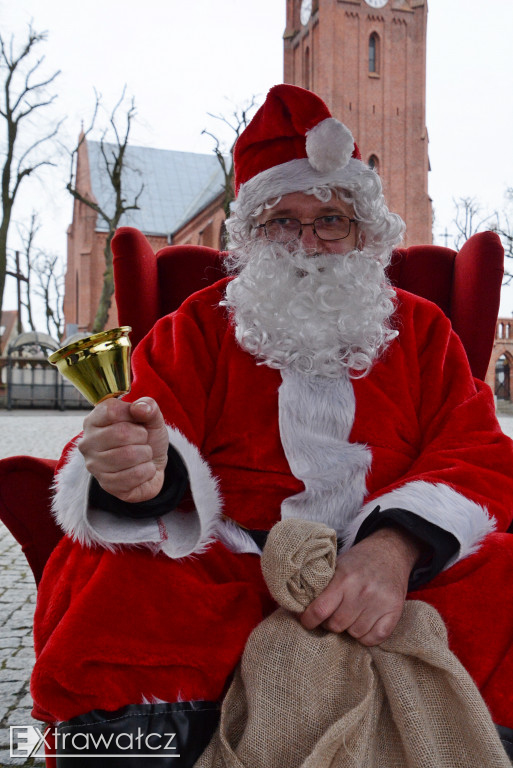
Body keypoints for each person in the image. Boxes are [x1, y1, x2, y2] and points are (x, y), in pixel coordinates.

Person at [32, 84, 513, 763]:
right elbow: (142, 429)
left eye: (330, 219)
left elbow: (478, 448)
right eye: (281, 220)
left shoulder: (421, 328)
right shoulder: (197, 327)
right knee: (111, 577)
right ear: (250, 236)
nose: (307, 242)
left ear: (363, 233)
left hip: (402, 562)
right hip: (232, 561)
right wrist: (136, 470)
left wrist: (394, 548)